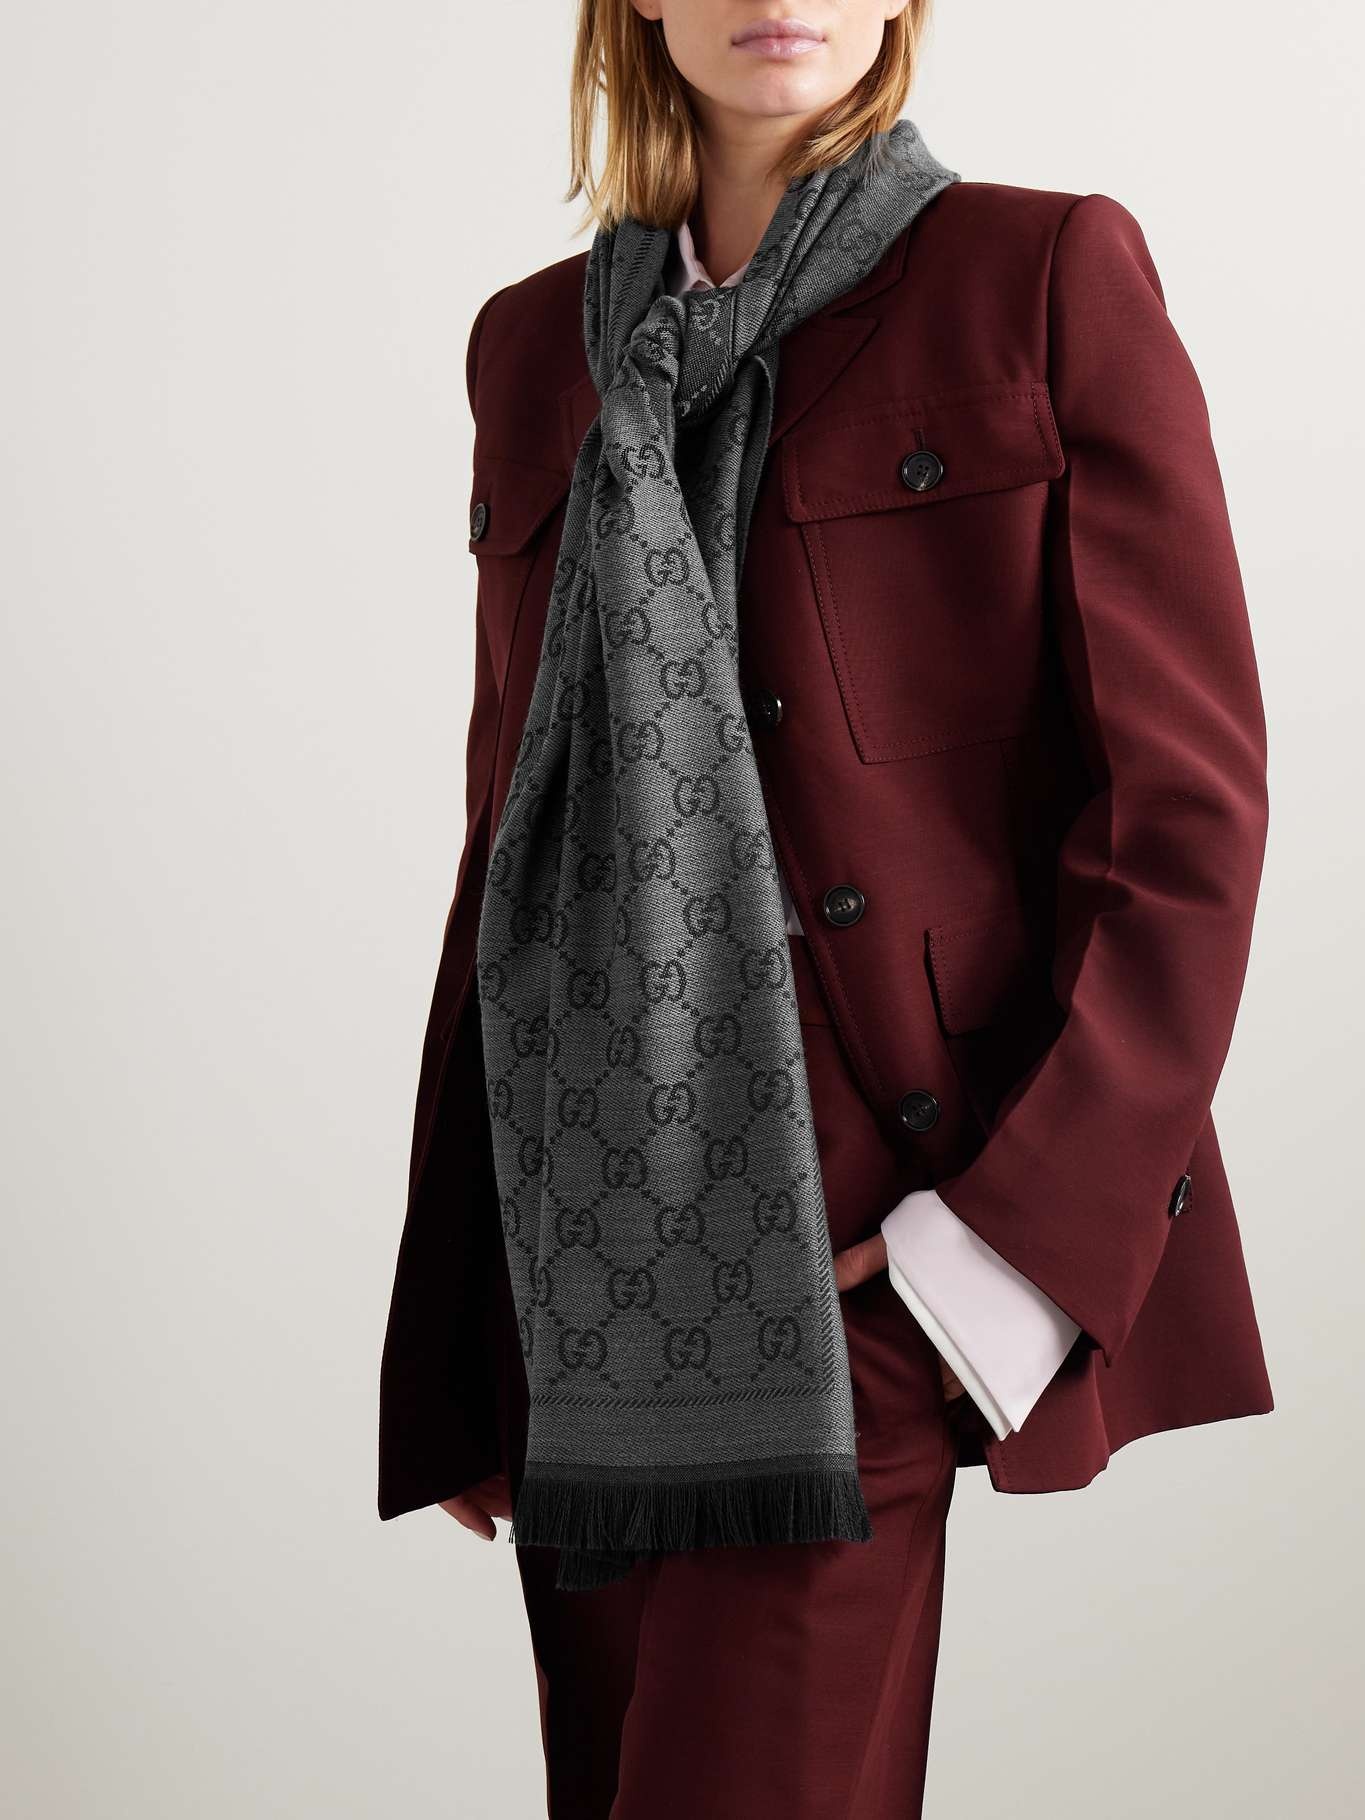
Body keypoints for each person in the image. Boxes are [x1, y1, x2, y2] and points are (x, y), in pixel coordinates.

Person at [378, 3, 1274, 1813]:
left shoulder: (1035, 273)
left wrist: (995, 1249)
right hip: (576, 1247)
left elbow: (1182, 815)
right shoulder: (531, 348)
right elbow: (515, 848)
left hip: (861, 1225)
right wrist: (467, 1311)